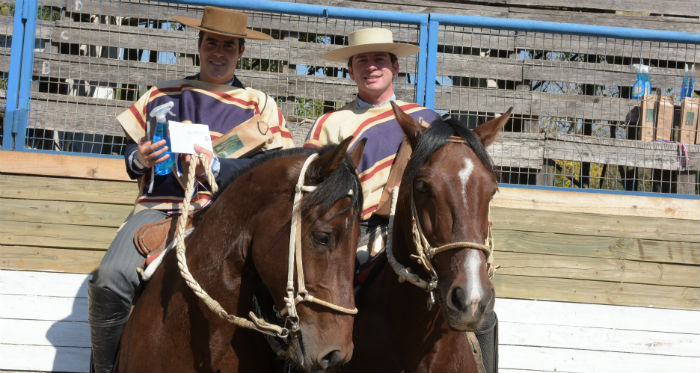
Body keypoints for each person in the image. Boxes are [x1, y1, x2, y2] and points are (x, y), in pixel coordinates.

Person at [87, 7, 294, 373]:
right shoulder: (161, 95)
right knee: (108, 280)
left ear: (241, 51)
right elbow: (130, 154)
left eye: (228, 45)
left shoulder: (260, 105)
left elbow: (273, 172)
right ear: (198, 45)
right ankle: (105, 367)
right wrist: (140, 157)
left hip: (234, 220)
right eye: (211, 42)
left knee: (279, 293)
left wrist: (216, 166)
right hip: (159, 211)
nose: (219, 52)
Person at [303, 27, 499, 372]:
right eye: (362, 60)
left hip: (417, 232)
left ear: (396, 67)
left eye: (380, 59)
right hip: (354, 233)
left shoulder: (429, 122)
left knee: (481, 309)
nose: (371, 67)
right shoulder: (329, 124)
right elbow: (310, 191)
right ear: (350, 70)